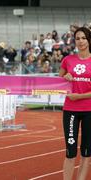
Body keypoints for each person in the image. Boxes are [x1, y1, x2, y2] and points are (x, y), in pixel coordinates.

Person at [59, 27, 91, 180]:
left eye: (83, 38)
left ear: (88, 39)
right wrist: (66, 76)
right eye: (77, 38)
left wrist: (79, 96)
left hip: (89, 111)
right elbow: (59, 81)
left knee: (86, 152)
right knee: (70, 152)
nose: (81, 41)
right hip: (70, 110)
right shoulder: (68, 60)